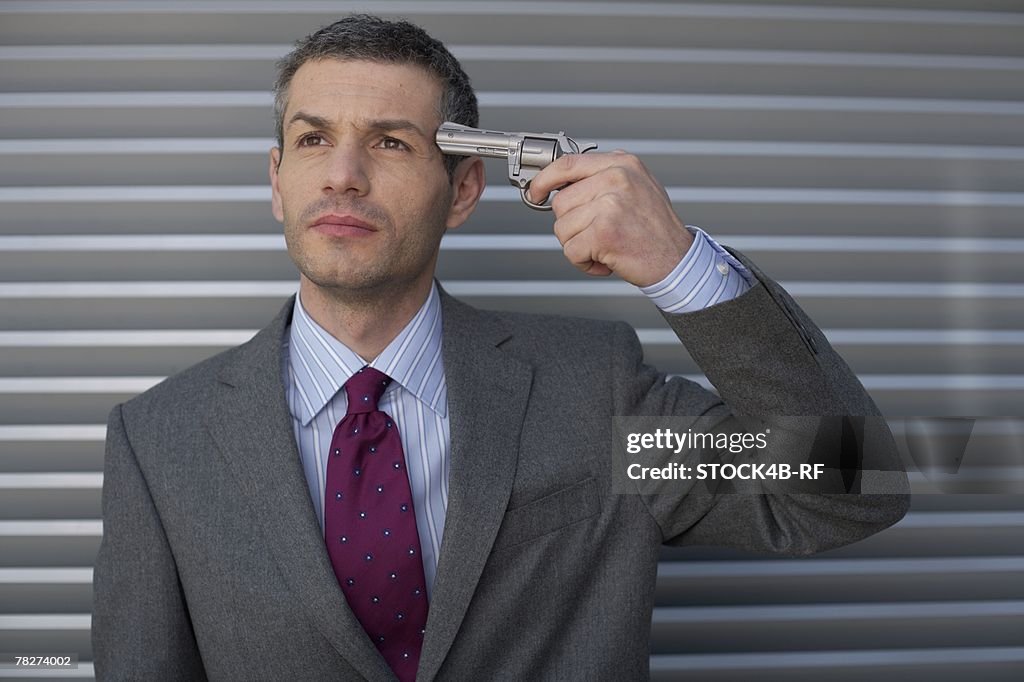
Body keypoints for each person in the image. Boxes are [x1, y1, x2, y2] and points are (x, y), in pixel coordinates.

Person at [91, 14, 909, 681]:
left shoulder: (595, 394)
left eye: (391, 142)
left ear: (465, 191)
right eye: (312, 141)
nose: (342, 174)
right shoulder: (161, 440)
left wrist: (680, 266)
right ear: (276, 181)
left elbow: (845, 485)